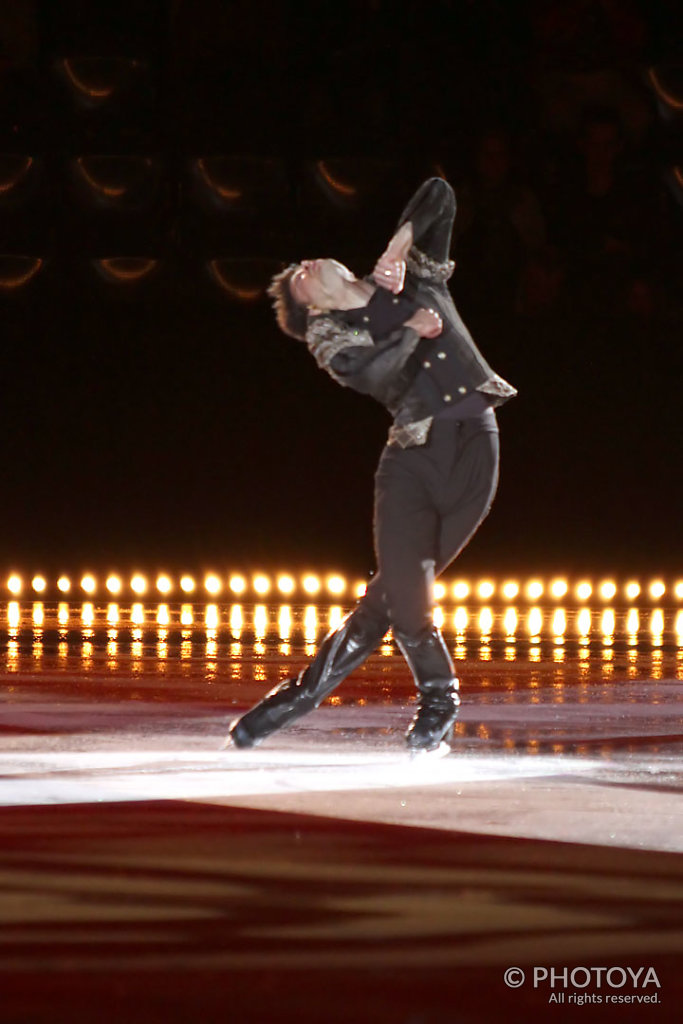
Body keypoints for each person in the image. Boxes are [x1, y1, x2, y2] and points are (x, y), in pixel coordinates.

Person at [228, 177, 516, 754]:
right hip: (410, 462)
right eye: (300, 278)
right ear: (314, 306)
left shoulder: (417, 276)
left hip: (476, 449)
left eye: (304, 264)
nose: (305, 266)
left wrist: (399, 246)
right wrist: (410, 330)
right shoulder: (330, 337)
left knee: (388, 598)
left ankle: (295, 699)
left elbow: (440, 194)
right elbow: (376, 375)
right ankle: (439, 703)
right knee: (407, 593)